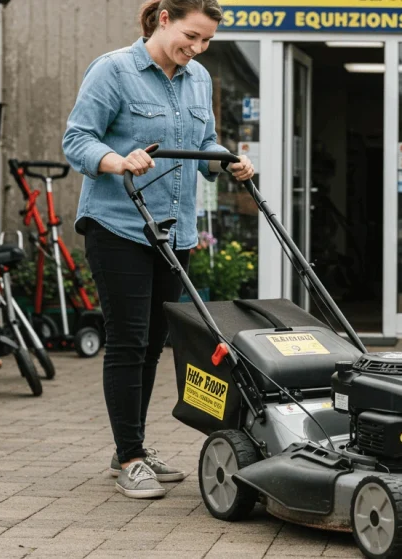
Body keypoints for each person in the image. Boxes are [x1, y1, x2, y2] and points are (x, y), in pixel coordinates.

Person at [62, 0, 254, 499]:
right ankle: (129, 457)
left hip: (175, 233)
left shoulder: (199, 80)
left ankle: (133, 446)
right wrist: (116, 159)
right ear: (163, 18)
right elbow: (76, 140)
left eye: (207, 40)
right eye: (191, 36)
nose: (197, 48)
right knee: (127, 341)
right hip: (119, 225)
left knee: (151, 344)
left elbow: (205, 143)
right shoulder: (114, 70)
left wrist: (228, 162)